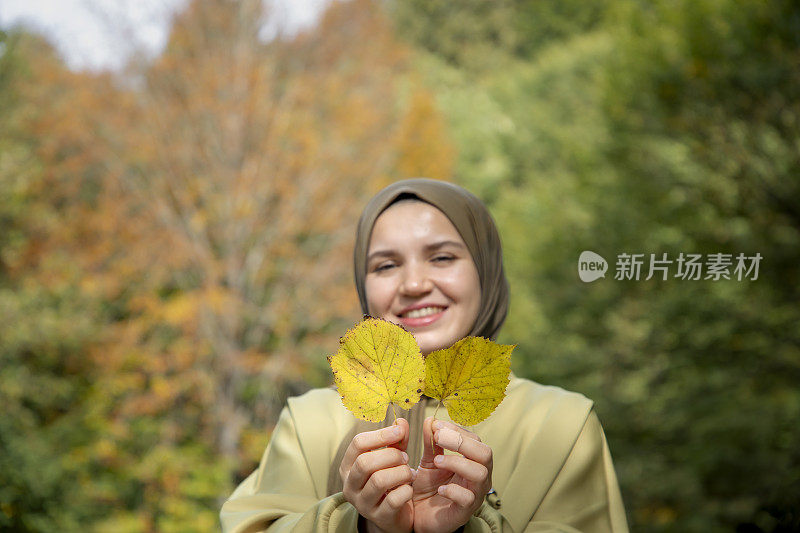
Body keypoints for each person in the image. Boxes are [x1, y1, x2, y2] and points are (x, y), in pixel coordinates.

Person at [220, 179, 629, 532]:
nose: (414, 283)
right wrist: (359, 524)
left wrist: (467, 528)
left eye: (443, 257)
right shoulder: (309, 424)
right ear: (363, 286)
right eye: (385, 265)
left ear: (486, 271)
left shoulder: (560, 425)